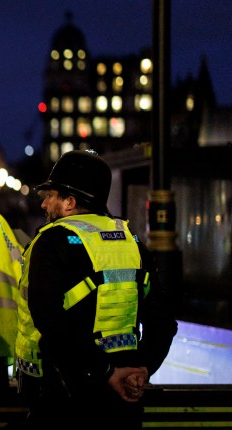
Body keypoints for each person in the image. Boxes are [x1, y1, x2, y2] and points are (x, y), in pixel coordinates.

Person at [15, 149, 177, 429]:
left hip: (63, 399)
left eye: (50, 195)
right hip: (123, 397)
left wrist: (104, 371)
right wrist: (142, 369)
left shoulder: (51, 243)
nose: (44, 205)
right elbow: (163, 321)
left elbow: (49, 321)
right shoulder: (133, 243)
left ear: (69, 202)